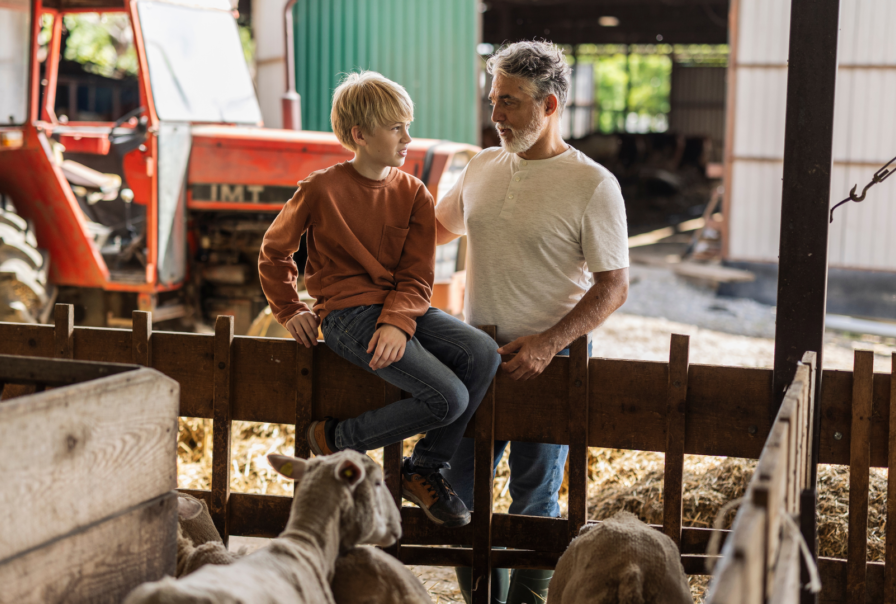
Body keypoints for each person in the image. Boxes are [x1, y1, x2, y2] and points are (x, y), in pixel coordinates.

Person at [258, 71, 501, 529]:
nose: (407, 138)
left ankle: (423, 468)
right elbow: (274, 252)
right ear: (360, 135)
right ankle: (338, 439)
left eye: (408, 127)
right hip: (347, 315)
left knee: (483, 352)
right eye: (396, 128)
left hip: (402, 309)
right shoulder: (319, 189)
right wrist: (289, 309)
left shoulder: (413, 194)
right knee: (448, 398)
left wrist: (397, 321)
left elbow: (417, 275)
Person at [435, 42, 630, 603]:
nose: (496, 114)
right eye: (494, 99)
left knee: (533, 501)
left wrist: (548, 343)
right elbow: (431, 231)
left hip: (550, 362)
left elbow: (613, 287)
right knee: (455, 491)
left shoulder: (593, 184)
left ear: (549, 105)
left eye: (511, 102)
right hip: (475, 356)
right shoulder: (481, 167)